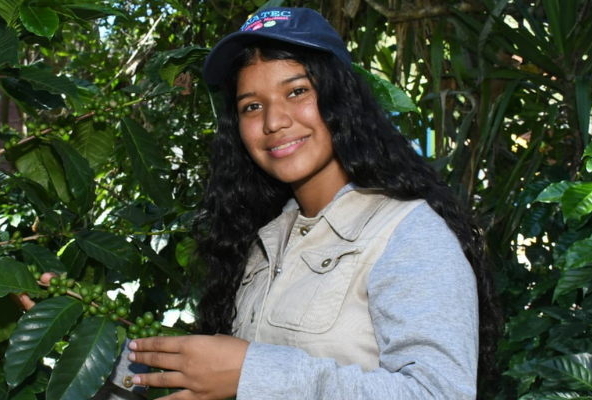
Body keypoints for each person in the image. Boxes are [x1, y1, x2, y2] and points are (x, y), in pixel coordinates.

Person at [125, 6, 501, 400]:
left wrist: (253, 372)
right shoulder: (261, 243)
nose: (273, 121)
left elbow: (440, 394)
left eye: (297, 91)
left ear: (342, 98)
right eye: (251, 106)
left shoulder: (408, 234)